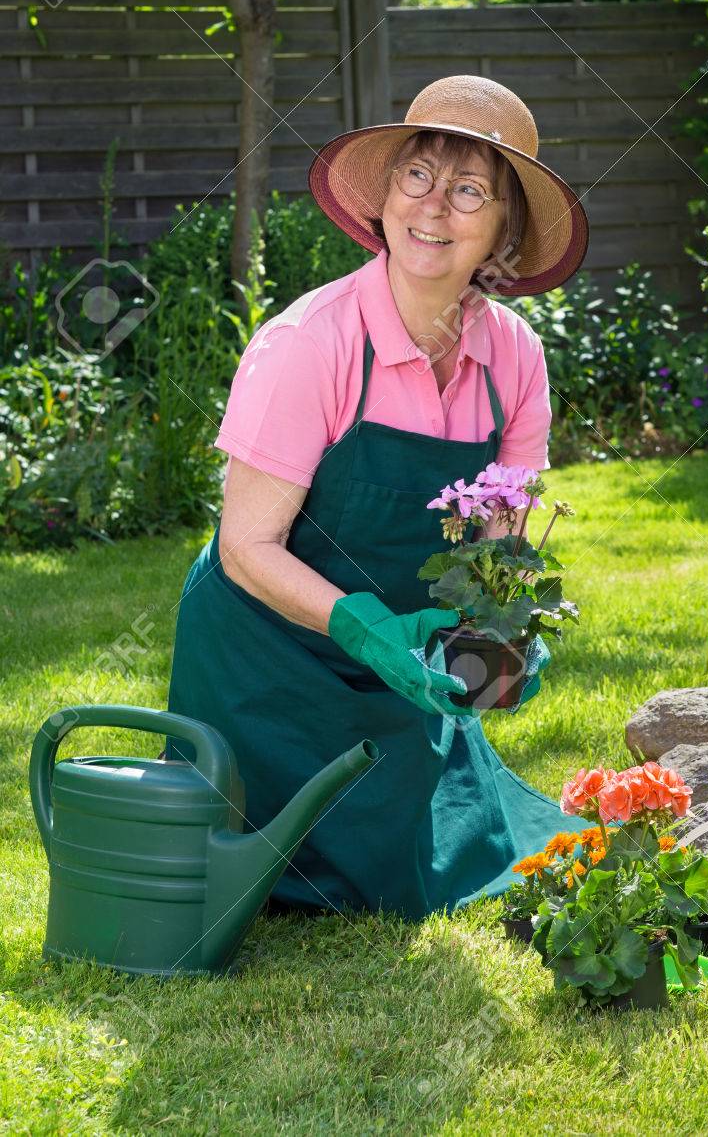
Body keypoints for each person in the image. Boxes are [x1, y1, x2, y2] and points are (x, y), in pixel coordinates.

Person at [166, 74, 591, 920]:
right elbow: (248, 546)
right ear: (386, 195)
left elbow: (501, 539)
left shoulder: (515, 357)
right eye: (417, 175)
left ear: (503, 227)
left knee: (458, 858)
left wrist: (502, 633)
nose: (433, 207)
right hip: (266, 660)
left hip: (402, 669)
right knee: (318, 877)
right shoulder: (307, 345)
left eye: (469, 190)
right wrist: (365, 627)